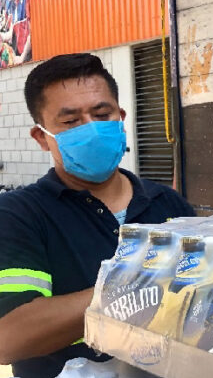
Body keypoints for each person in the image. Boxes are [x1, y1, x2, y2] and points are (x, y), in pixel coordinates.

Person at [0, 54, 195, 378]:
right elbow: (10, 336)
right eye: (71, 121)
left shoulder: (169, 205)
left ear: (120, 118)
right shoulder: (20, 215)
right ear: (41, 137)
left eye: (102, 114)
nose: (91, 129)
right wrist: (141, 285)